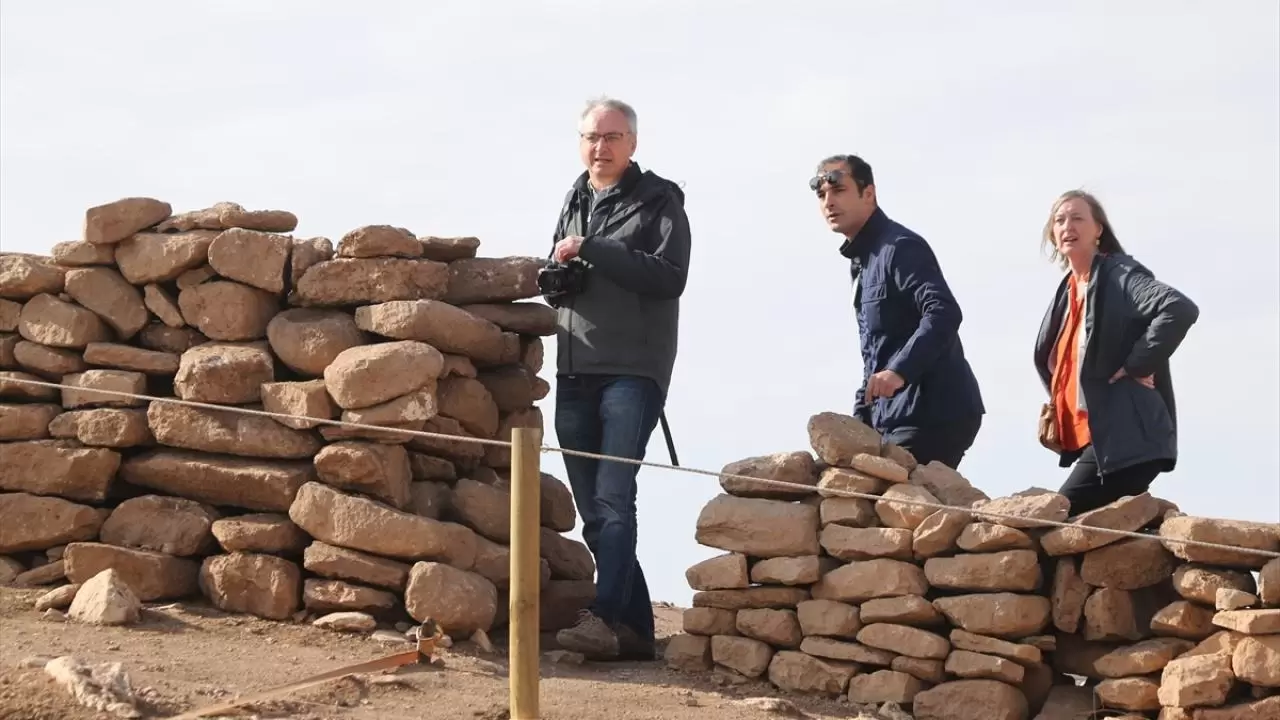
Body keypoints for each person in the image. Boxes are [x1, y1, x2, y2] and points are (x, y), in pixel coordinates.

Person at [540, 97, 691, 661]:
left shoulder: (660, 199)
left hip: (633, 370)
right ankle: (634, 629)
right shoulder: (575, 196)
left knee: (613, 497)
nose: (598, 147)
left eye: (610, 137)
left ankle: (603, 618)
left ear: (632, 144)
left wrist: (594, 250)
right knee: (594, 510)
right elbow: (564, 266)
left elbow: (670, 276)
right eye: (590, 137)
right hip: (574, 367)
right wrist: (554, 275)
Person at [1033, 190, 1199, 516]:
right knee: (1074, 530)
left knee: (1054, 518)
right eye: (1060, 220)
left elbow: (1178, 308)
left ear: (1099, 230)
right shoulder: (1068, 291)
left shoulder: (1119, 274)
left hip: (1129, 440)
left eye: (1078, 218)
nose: (1068, 225)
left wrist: (1139, 364)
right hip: (1096, 441)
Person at [814, 154, 985, 468]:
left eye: (838, 191)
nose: (828, 202)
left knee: (890, 503)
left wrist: (899, 371)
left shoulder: (900, 247)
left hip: (931, 413)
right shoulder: (863, 263)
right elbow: (876, 352)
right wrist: (860, 420)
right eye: (821, 194)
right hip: (895, 416)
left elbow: (943, 312)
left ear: (869, 194)